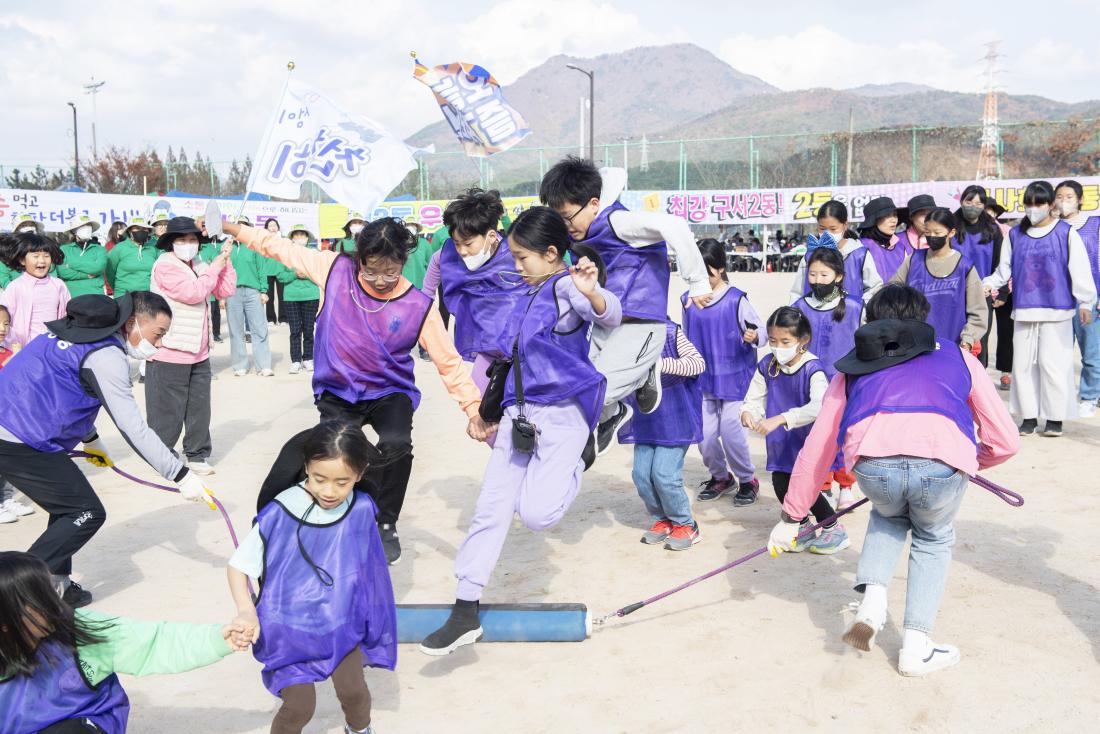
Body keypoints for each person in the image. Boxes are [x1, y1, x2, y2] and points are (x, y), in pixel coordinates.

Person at [768, 285, 1019, 677]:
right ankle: (916, 647)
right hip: (943, 462)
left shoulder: (852, 367)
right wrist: (967, 462)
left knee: (887, 518)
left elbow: (818, 446)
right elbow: (1005, 440)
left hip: (873, 464)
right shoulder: (958, 356)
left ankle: (873, 601)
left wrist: (791, 516)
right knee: (933, 537)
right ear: (923, 319)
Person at [211, 210, 486, 566]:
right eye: (371, 269)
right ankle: (316, 520)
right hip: (339, 390)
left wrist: (474, 409)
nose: (381, 279)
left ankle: (386, 520)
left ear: (403, 262)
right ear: (359, 259)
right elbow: (275, 247)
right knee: (336, 452)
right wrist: (233, 227)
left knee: (397, 444)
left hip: (390, 390)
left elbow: (449, 363)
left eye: (391, 271)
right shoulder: (334, 269)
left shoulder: (419, 306)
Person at [418, 207, 621, 656]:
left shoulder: (568, 285)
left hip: (563, 415)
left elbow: (609, 316)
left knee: (537, 515)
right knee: (490, 508)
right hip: (519, 414)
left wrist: (596, 293)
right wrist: (486, 411)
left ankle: (584, 453)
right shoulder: (525, 291)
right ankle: (465, 608)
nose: (515, 266)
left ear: (551, 254)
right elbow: (505, 358)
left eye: (521, 257)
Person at [0, 293, 218, 607]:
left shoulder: (70, 333)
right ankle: (16, 587)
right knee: (85, 512)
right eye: (158, 334)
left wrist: (90, 439)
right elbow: (132, 426)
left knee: (67, 507)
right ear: (132, 323)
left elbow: (61, 388)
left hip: (18, 430)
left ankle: (57, 586)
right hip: (19, 440)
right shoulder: (105, 355)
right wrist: (180, 475)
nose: (158, 344)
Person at [228, 422, 394, 734]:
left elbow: (367, 570)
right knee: (299, 707)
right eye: (319, 479)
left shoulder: (361, 509)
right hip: (288, 630)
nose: (329, 491)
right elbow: (239, 565)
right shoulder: (280, 512)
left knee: (356, 695)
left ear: (360, 474)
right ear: (306, 467)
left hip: (339, 625)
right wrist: (246, 609)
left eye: (342, 482)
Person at [539, 157, 712, 454]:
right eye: (559, 219)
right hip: (607, 321)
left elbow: (674, 224)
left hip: (641, 322)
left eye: (568, 217)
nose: (566, 226)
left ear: (594, 203)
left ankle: (646, 371)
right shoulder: (579, 232)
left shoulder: (619, 221)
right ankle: (611, 414)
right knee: (578, 379)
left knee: (598, 387)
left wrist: (697, 281)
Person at [0, 551, 251, 734]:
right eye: (40, 599)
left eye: (52, 591)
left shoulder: (79, 630)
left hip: (81, 720)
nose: (56, 603)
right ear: (6, 620)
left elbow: (155, 642)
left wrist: (217, 639)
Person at [983, 180, 1097, 436]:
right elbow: (1003, 271)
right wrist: (987, 284)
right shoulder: (1014, 234)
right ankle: (1029, 417)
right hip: (1024, 309)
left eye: (1039, 203)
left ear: (1050, 205)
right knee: (1022, 366)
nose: (1034, 208)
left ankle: (1055, 418)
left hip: (1057, 309)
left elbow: (1079, 270)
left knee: (1053, 365)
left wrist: (1086, 301)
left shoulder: (1066, 233)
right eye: (1029, 204)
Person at [742, 307, 848, 554]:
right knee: (781, 481)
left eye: (785, 341)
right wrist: (749, 412)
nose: (778, 347)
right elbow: (754, 396)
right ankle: (801, 526)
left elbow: (819, 406)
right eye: (773, 341)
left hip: (806, 438)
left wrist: (781, 418)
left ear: (803, 341)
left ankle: (833, 527)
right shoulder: (767, 364)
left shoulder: (813, 369)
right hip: (780, 439)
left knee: (805, 485)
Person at [146, 217, 237, 477]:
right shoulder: (165, 265)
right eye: (182, 240)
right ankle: (162, 455)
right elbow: (193, 292)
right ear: (171, 243)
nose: (188, 244)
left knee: (199, 408)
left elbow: (225, 290)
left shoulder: (200, 263)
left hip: (198, 349)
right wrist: (215, 267)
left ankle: (197, 455)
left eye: (193, 240)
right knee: (167, 411)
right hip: (170, 348)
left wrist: (225, 262)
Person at [683, 238, 765, 506]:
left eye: (707, 273)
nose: (702, 280)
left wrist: (754, 336)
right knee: (704, 436)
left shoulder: (736, 299)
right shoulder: (688, 300)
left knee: (731, 433)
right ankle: (720, 477)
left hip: (735, 379)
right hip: (703, 379)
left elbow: (762, 330)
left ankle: (747, 479)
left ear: (720, 269)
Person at [424, 189, 525, 400]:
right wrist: (423, 303)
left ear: (490, 236)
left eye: (468, 244)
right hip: (484, 349)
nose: (461, 250)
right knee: (482, 409)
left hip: (522, 349)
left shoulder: (517, 253)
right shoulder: (448, 253)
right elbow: (432, 273)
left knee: (519, 407)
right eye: (457, 242)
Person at [617, 319, 706, 551]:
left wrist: (659, 364)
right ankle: (663, 518)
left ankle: (685, 524)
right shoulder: (621, 335)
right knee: (641, 475)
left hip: (676, 417)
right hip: (646, 420)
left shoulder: (670, 331)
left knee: (664, 474)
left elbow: (697, 364)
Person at [793, 246, 864, 509]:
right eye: (813, 274)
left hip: (846, 383)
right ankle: (822, 485)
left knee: (845, 434)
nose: (818, 280)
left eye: (824, 274)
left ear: (838, 276)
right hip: (811, 382)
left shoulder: (855, 306)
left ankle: (846, 484)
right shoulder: (800, 307)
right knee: (816, 436)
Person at [892, 208, 987, 351]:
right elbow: (891, 292)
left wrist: (967, 340)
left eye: (937, 233)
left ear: (951, 233)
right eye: (928, 232)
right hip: (915, 345)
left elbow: (978, 312)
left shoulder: (964, 267)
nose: (931, 236)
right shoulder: (913, 260)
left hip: (953, 346)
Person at [1054, 179, 1100, 417]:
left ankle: (1090, 396)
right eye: (1059, 197)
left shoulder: (1095, 225)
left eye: (1069, 197)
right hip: (1058, 300)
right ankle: (1063, 397)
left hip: (1088, 300)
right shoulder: (1052, 227)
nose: (1063, 202)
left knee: (1091, 353)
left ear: (1080, 199)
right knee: (1059, 353)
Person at [788, 200, 883, 305]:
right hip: (812, 317)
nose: (827, 234)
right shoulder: (809, 257)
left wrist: (859, 309)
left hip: (849, 317)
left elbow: (874, 287)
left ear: (845, 225)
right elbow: (797, 292)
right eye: (822, 229)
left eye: (833, 229)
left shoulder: (859, 255)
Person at [953, 185, 1005, 367]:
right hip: (954, 294)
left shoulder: (992, 229)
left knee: (978, 343)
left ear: (984, 205)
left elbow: (1001, 263)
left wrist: (1000, 290)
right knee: (956, 340)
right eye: (969, 201)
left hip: (982, 296)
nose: (973, 206)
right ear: (961, 202)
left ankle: (979, 383)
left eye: (978, 203)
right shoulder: (950, 225)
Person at [0, 232, 70, 349]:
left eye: (46, 256)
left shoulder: (59, 285)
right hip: (24, 348)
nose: (42, 261)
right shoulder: (16, 287)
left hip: (53, 347)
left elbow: (66, 315)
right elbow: (3, 319)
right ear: (22, 260)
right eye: (36, 256)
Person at [0, 304, 36, 526]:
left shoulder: (8, 352)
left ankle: (6, 498)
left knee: (5, 464)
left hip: (6, 419)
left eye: (5, 323)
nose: (2, 328)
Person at [225, 215, 273, 377]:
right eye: (236, 225)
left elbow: (262, 269)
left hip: (253, 291)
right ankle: (240, 365)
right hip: (232, 292)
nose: (239, 228)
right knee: (236, 330)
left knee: (259, 328)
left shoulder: (253, 246)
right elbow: (222, 272)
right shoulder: (226, 247)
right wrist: (220, 296)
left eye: (243, 225)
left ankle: (264, 365)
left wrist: (264, 290)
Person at [273, 224, 322, 374]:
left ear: (307, 238)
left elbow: (320, 274)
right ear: (292, 238)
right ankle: (295, 361)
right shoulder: (285, 255)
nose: (300, 238)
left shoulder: (315, 254)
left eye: (303, 235)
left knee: (308, 329)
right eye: (297, 235)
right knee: (295, 331)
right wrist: (295, 274)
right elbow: (280, 276)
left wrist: (306, 274)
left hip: (311, 296)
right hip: (291, 297)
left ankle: (308, 358)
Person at [985, 199, 1014, 390]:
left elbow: (1009, 264)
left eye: (990, 211)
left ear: (996, 213)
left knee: (1006, 333)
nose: (986, 214)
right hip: (982, 290)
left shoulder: (1007, 231)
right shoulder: (970, 233)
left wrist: (1003, 293)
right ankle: (982, 371)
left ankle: (1005, 371)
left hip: (1007, 291)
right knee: (982, 333)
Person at [858, 196, 912, 283]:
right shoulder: (860, 247)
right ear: (874, 220)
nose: (893, 220)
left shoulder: (901, 248)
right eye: (887, 215)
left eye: (895, 215)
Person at [56, 215, 107, 297]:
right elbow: (63, 272)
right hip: (72, 296)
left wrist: (71, 264)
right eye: (82, 226)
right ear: (74, 231)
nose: (86, 228)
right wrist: (86, 275)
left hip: (96, 295)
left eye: (88, 226)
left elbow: (98, 268)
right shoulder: (64, 249)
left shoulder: (100, 249)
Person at [105, 216, 156, 298]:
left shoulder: (152, 249)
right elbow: (109, 272)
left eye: (144, 228)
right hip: (124, 296)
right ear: (129, 231)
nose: (141, 231)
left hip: (148, 297)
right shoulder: (119, 249)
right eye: (137, 228)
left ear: (148, 231)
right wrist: (119, 290)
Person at [198, 235, 226, 343]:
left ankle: (216, 333)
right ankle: (203, 335)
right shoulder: (192, 248)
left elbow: (217, 263)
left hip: (211, 286)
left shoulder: (210, 248)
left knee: (215, 311)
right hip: (197, 285)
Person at [262, 218, 287, 325]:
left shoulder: (283, 240)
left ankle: (283, 319)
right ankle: (270, 318)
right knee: (269, 297)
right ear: (267, 228)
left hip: (281, 270)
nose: (273, 227)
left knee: (282, 297)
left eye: (274, 225)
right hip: (268, 271)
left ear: (278, 227)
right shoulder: (264, 240)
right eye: (270, 225)